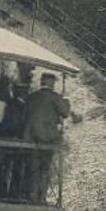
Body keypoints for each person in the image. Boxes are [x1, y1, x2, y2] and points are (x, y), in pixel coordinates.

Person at [23, 72, 70, 201]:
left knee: (32, 168)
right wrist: (66, 100)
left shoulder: (32, 97)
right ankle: (41, 197)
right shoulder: (55, 98)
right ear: (52, 83)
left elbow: (25, 114)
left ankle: (31, 196)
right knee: (44, 169)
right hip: (48, 138)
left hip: (31, 137)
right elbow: (65, 113)